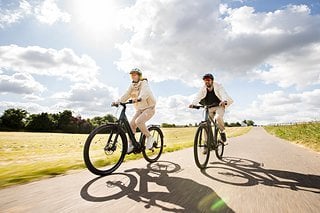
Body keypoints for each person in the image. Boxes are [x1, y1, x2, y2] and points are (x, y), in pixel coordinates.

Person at [113, 68, 157, 153]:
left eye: (135, 74)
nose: (133, 76)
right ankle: (131, 144)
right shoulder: (132, 85)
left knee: (139, 122)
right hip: (139, 109)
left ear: (139, 75)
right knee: (131, 124)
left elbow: (146, 91)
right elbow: (127, 94)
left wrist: (140, 98)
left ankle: (149, 137)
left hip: (149, 107)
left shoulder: (144, 82)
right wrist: (118, 102)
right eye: (132, 75)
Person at [189, 73, 233, 145]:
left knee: (218, 117)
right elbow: (198, 96)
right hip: (209, 107)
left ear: (212, 80)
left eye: (208, 80)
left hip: (219, 106)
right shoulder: (203, 88)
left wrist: (224, 101)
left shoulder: (218, 86)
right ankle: (207, 144)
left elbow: (223, 93)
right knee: (206, 124)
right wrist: (193, 104)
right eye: (205, 80)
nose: (207, 82)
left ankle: (222, 132)